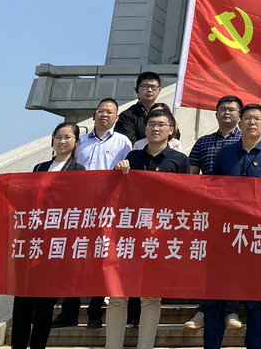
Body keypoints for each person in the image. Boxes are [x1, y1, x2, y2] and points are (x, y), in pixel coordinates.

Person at [205, 104, 261, 349]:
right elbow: (214, 191)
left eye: (257, 119)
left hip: (258, 238)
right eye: (247, 118)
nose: (252, 122)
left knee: (255, 301)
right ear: (239, 123)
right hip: (225, 237)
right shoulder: (224, 154)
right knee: (216, 299)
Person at [109, 107, 189, 349]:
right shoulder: (131, 158)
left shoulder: (179, 161)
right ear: (145, 129)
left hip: (159, 237)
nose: (156, 128)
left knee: (150, 297)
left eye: (161, 125)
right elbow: (115, 193)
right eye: (151, 124)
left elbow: (185, 199)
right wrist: (118, 172)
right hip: (128, 236)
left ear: (171, 130)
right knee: (118, 296)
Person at [54, 99, 131, 329]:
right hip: (79, 208)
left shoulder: (123, 142)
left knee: (100, 259)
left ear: (117, 117)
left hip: (107, 209)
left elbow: (128, 175)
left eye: (109, 112)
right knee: (74, 258)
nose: (104, 115)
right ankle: (69, 311)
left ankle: (96, 312)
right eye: (100, 111)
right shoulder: (80, 142)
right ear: (94, 115)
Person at [12, 122, 85, 349]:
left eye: (67, 137)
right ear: (53, 140)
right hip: (32, 240)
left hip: (55, 244)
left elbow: (78, 207)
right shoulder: (39, 168)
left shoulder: (79, 171)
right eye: (58, 137)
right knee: (22, 300)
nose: (62, 141)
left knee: (44, 304)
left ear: (76, 142)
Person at [185, 96, 243, 331]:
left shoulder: (246, 140)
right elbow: (191, 177)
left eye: (232, 109)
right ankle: (204, 309)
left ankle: (232, 310)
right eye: (223, 109)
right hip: (210, 211)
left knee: (235, 262)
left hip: (239, 211)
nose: (227, 112)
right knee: (208, 262)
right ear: (216, 113)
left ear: (239, 115)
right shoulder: (203, 142)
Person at [114, 71, 162, 143]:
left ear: (159, 90)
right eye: (145, 86)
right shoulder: (126, 116)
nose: (149, 90)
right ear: (136, 90)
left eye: (153, 87)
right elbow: (128, 144)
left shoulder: (163, 113)